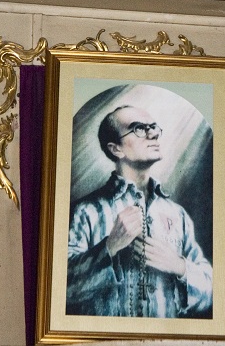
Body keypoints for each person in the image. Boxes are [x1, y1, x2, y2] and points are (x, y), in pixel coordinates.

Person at [66, 103, 213, 319]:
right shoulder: (86, 211)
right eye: (139, 128)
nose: (153, 134)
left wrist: (180, 266)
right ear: (116, 149)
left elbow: (212, 292)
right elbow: (63, 289)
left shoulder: (177, 215)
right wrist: (109, 247)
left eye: (153, 127)